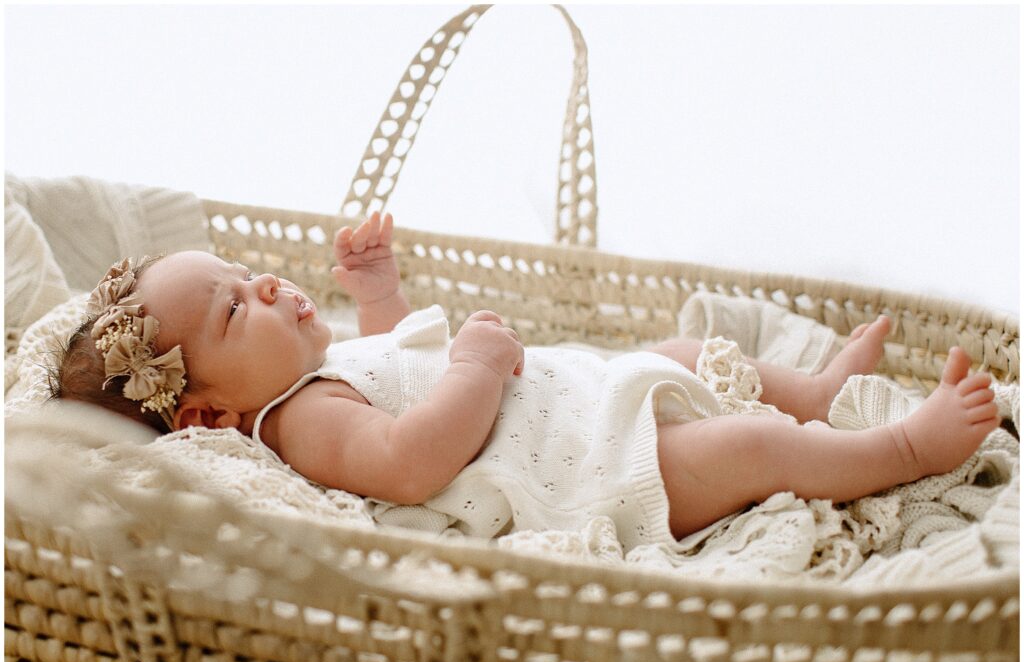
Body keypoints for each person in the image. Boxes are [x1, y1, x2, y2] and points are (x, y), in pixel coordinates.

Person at [50, 212, 1001, 544]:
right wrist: (478, 363)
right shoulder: (295, 427)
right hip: (596, 473)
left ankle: (823, 386)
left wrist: (378, 292)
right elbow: (409, 459)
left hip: (587, 398)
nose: (263, 282)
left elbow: (400, 358)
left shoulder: (321, 368)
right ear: (212, 411)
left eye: (240, 274)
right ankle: (902, 447)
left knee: (683, 354)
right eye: (232, 308)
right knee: (748, 447)